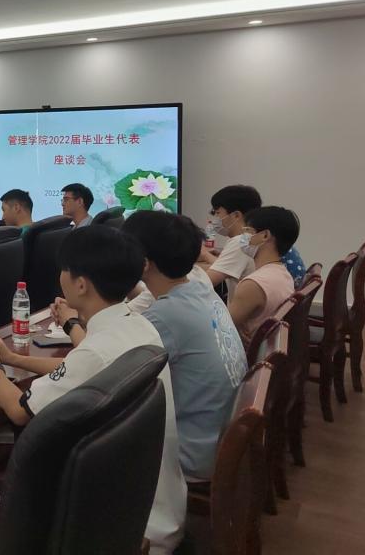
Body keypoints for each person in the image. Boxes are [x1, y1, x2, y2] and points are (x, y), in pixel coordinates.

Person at [0, 226, 186, 553]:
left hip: (124, 524)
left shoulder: (95, 351)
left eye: (64, 270)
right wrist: (12, 358)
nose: (61, 277)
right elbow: (81, 365)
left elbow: (18, 410)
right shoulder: (137, 325)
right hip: (153, 504)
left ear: (81, 284)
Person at [123, 211, 246, 481]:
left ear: (143, 264)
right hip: (220, 438)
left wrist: (74, 322)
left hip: (192, 452)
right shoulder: (200, 289)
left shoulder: (165, 316)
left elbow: (106, 367)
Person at [229, 206, 299, 346]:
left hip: (241, 354)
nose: (242, 237)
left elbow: (219, 328)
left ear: (265, 235)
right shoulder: (283, 274)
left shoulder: (253, 284)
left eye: (247, 231)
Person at [197, 185, 261, 300]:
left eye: (218, 213)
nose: (215, 219)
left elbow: (203, 284)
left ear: (236, 215)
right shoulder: (252, 237)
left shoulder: (240, 242)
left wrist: (204, 253)